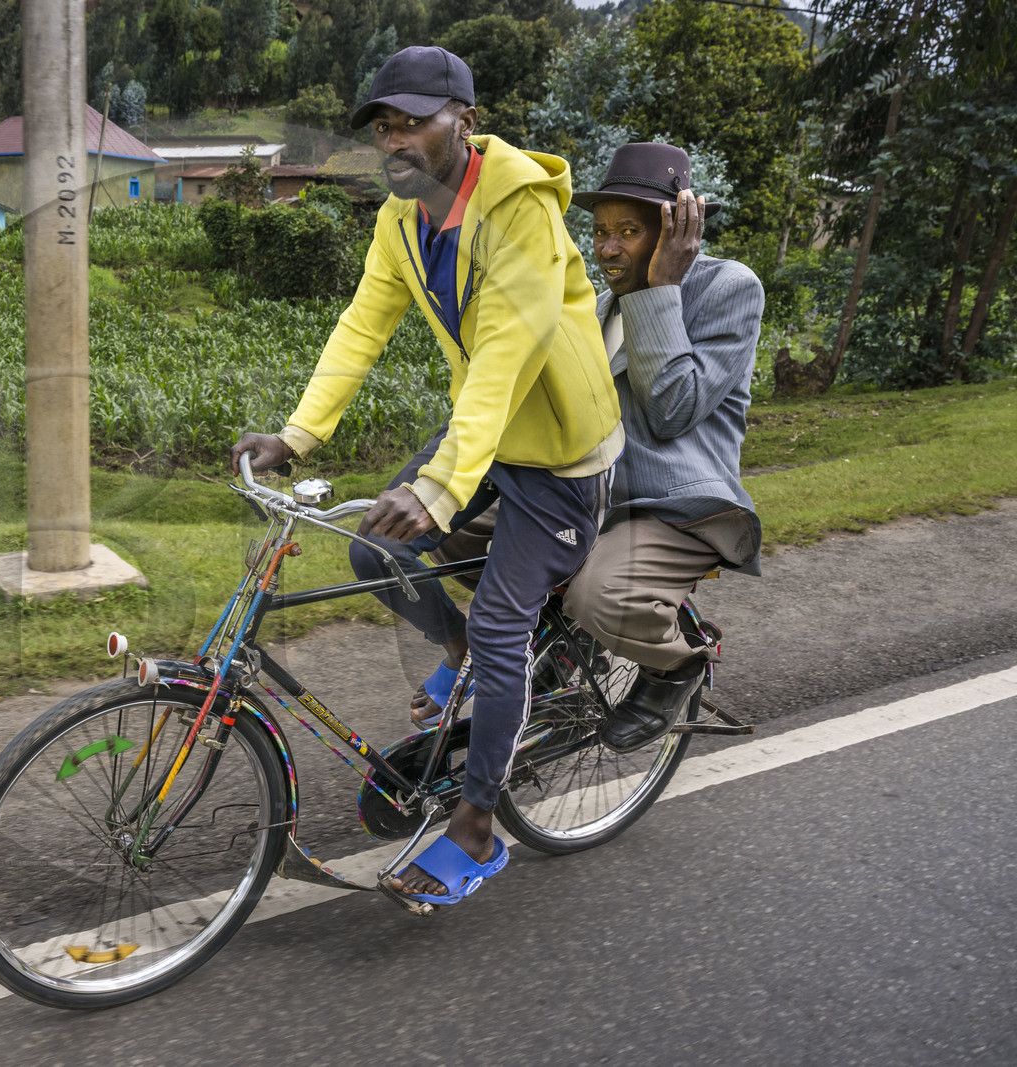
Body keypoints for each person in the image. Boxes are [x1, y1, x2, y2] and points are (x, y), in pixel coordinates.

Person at [230, 45, 624, 908]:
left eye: (414, 120)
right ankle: (458, 654)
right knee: (374, 554)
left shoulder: (520, 209)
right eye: (384, 125)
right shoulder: (400, 221)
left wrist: (442, 488)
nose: (396, 138)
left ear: (466, 123)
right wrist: (296, 437)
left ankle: (478, 830)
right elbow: (360, 330)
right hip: (483, 436)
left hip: (558, 451)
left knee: (502, 628)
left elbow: (506, 356)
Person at [430, 142, 764, 751]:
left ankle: (673, 670)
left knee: (600, 594)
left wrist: (656, 288)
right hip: (586, 491)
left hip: (673, 502)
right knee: (449, 526)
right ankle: (552, 643)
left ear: (676, 229)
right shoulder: (595, 301)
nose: (608, 249)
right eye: (602, 231)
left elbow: (672, 410)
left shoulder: (728, 288)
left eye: (629, 232)